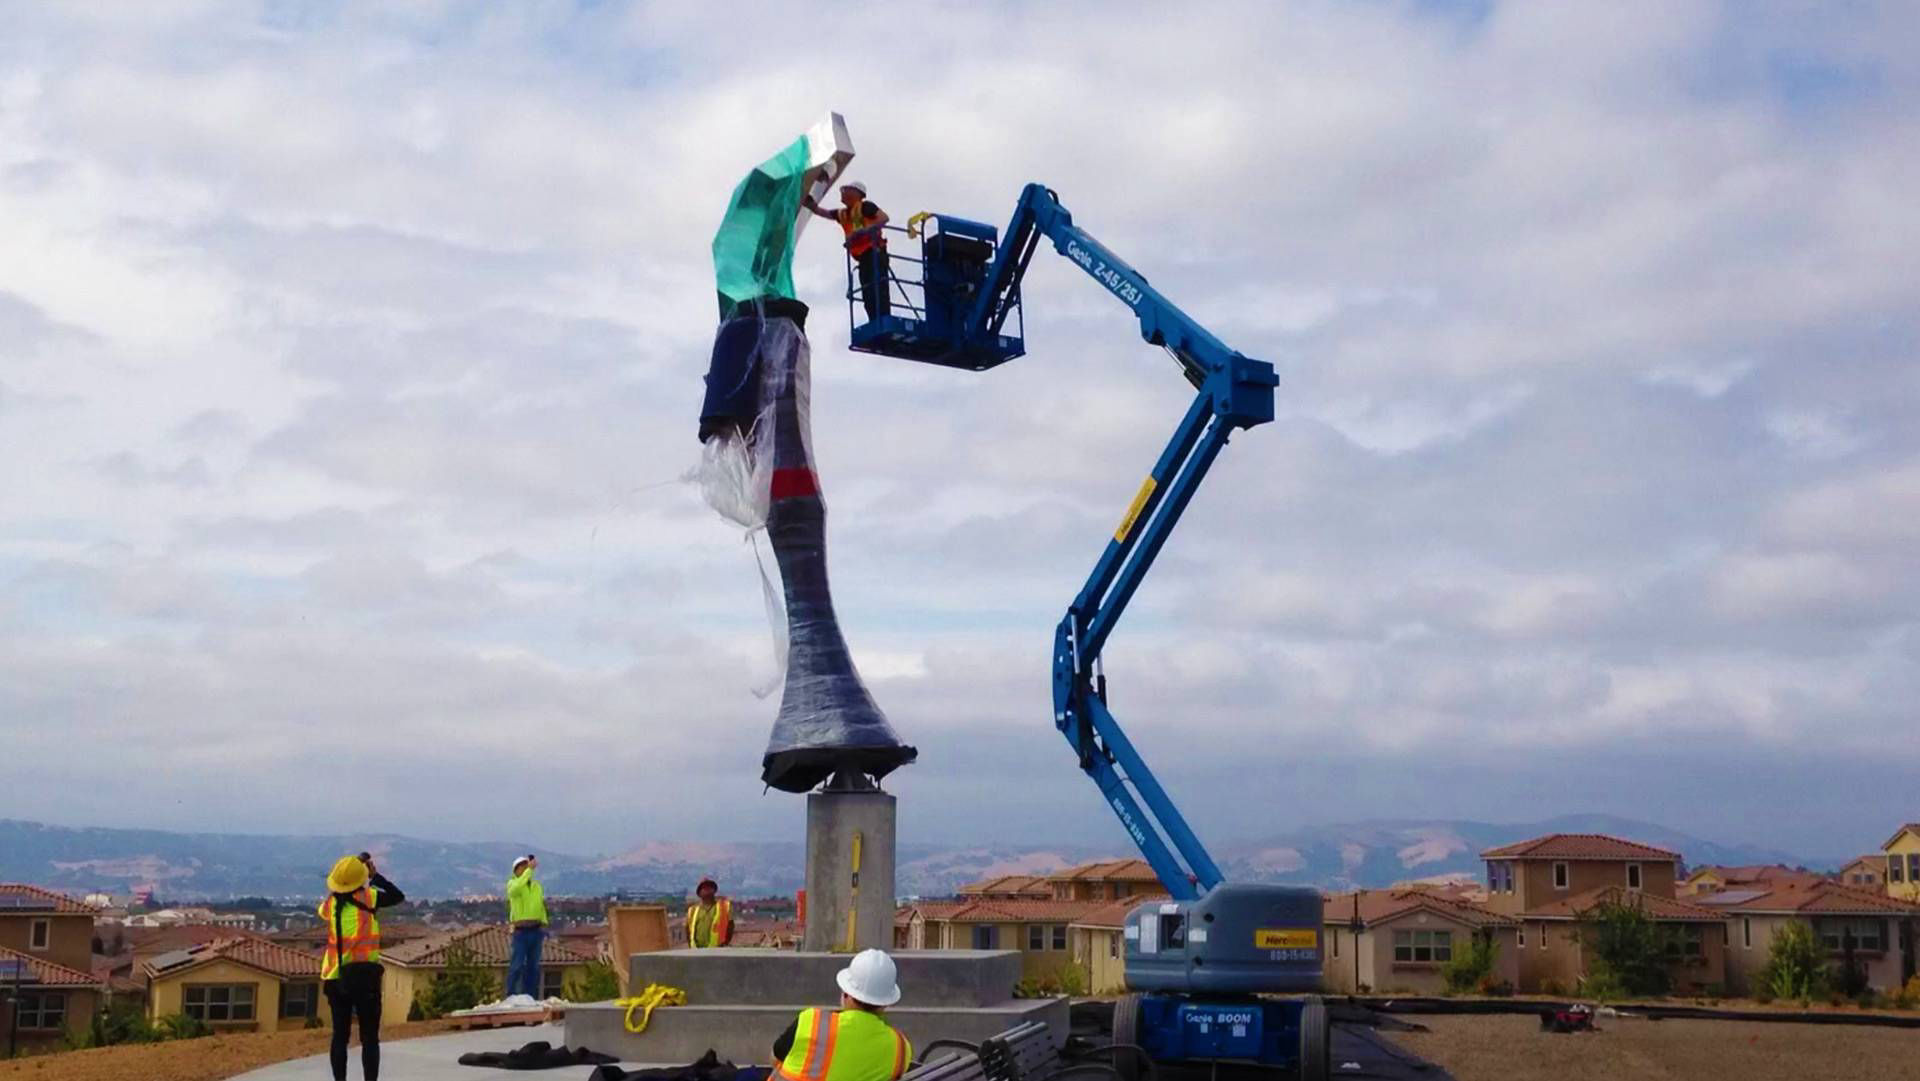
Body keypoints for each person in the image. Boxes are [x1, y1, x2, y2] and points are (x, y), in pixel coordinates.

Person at [318, 852, 405, 1081]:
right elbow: (397, 896)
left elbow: (327, 905)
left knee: (340, 1037)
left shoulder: (330, 904)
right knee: (369, 1038)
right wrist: (374, 876)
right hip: (365, 977)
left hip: (336, 977)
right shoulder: (370, 897)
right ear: (362, 878)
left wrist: (341, 883)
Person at [771, 949, 911, 1081]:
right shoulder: (901, 1048)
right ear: (885, 1003)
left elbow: (775, 1057)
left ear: (846, 993)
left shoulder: (812, 1022)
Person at [805, 181, 890, 322]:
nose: (843, 193)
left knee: (877, 290)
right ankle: (874, 321)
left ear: (857, 193)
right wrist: (811, 205)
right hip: (863, 257)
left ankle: (882, 320)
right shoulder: (844, 213)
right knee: (867, 292)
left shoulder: (865, 207)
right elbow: (824, 213)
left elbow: (884, 218)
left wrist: (862, 232)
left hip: (875, 253)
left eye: (846, 190)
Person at [505, 854, 549, 999]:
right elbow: (515, 889)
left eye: (527, 866)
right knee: (517, 964)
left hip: (535, 930)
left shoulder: (536, 887)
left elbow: (540, 906)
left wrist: (544, 923)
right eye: (522, 867)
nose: (526, 869)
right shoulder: (513, 884)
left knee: (533, 966)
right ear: (516, 870)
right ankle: (511, 994)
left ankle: (529, 995)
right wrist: (529, 871)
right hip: (521, 931)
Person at [686, 877, 733, 948]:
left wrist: (725, 942)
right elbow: (688, 931)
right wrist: (691, 947)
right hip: (697, 951)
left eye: (709, 887)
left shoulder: (724, 907)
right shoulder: (692, 910)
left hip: (717, 950)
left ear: (714, 890)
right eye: (704, 888)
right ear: (699, 893)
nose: (707, 889)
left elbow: (730, 926)